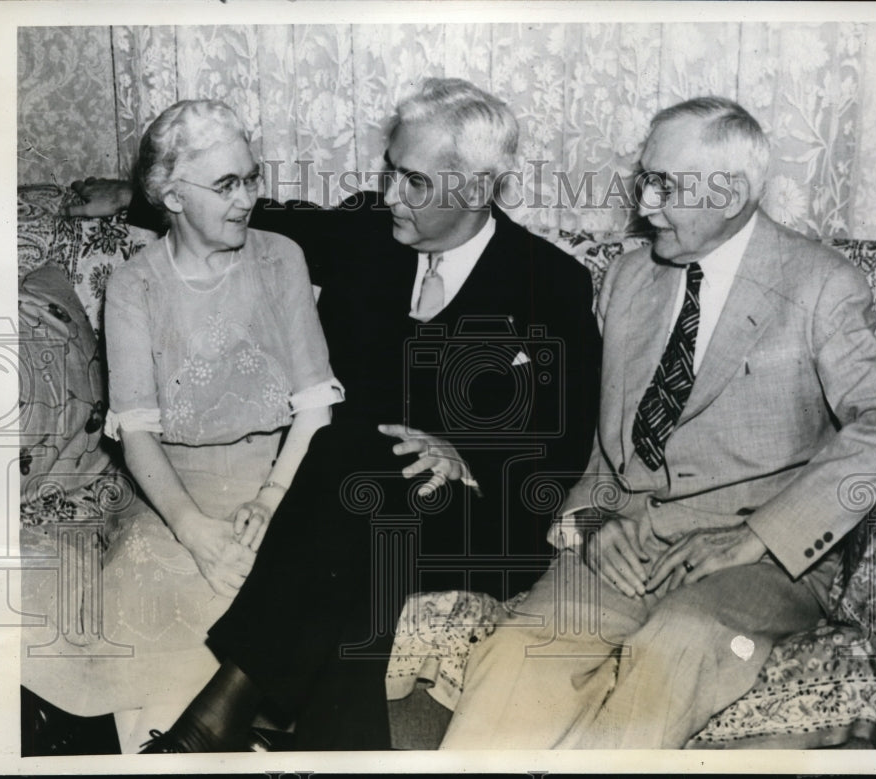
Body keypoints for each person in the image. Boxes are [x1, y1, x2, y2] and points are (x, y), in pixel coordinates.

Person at [66, 78, 600, 751]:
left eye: (412, 182)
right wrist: (136, 197)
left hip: (472, 514)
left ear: (473, 190)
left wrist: (470, 455)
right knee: (360, 504)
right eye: (391, 172)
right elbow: (268, 215)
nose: (389, 195)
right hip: (352, 495)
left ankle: (214, 719)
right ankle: (330, 747)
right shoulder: (369, 237)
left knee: (354, 479)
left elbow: (570, 437)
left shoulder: (550, 282)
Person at [438, 96, 876, 749]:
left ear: (729, 193)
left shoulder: (819, 285)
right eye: (644, 179)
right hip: (628, 539)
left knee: (671, 650)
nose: (643, 206)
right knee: (519, 652)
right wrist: (590, 519)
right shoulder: (626, 278)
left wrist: (762, 536)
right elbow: (596, 435)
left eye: (663, 185)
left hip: (754, 561)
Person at [21, 99, 344, 753]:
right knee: (153, 643)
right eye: (227, 184)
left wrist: (272, 499)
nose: (248, 197)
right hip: (174, 502)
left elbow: (316, 407)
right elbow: (136, 433)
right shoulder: (134, 286)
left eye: (252, 177)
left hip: (280, 488)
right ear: (171, 194)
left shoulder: (282, 258)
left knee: (239, 627)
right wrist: (193, 530)